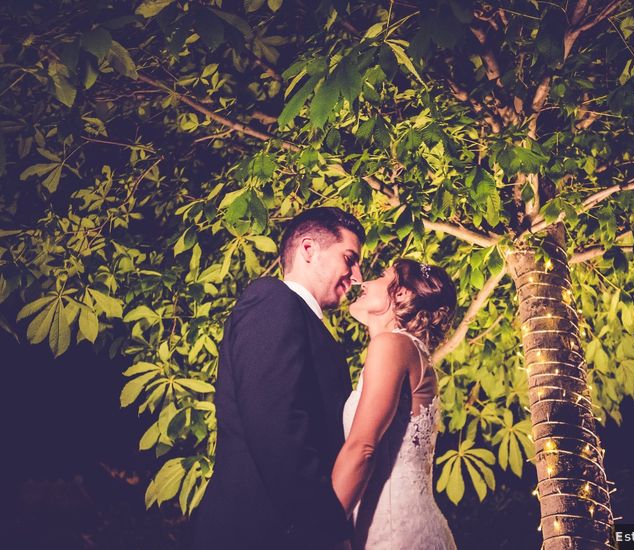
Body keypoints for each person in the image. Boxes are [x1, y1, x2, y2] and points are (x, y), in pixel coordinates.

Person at [193, 207, 365, 550]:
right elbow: (276, 424)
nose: (357, 275)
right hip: (256, 531)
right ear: (308, 249)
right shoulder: (273, 299)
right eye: (350, 258)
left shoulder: (308, 325)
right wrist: (325, 529)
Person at [333, 259, 458, 549]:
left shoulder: (392, 344)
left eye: (380, 275)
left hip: (396, 537)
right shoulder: (409, 350)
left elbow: (362, 448)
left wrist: (321, 531)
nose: (363, 282)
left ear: (401, 293)